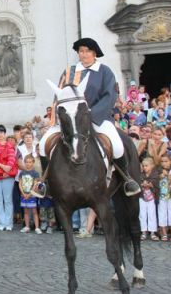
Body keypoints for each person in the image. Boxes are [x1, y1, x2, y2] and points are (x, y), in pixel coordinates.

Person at [37, 38, 141, 197]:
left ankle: (127, 178)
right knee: (44, 142)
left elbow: (109, 96)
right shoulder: (69, 72)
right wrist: (58, 117)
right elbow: (59, 95)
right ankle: (46, 182)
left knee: (117, 145)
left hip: (97, 117)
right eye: (81, 51)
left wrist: (89, 115)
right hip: (70, 120)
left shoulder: (104, 71)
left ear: (94, 53)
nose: (83, 54)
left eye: (87, 51)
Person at [18, 154, 41, 234]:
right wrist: (23, 193)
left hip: (32, 195)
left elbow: (35, 185)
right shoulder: (22, 173)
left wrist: (30, 194)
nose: (28, 164)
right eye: (26, 162)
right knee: (26, 212)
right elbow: (20, 184)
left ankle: (37, 227)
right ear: (24, 163)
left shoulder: (35, 173)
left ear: (33, 163)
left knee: (34, 211)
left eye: (30, 162)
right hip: (24, 195)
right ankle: (27, 226)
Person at [139, 157, 160, 241]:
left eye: (146, 166)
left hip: (151, 197)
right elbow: (139, 182)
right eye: (143, 166)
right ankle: (143, 232)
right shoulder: (141, 175)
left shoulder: (155, 174)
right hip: (142, 197)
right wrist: (142, 183)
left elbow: (155, 184)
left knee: (152, 214)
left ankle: (152, 232)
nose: (145, 168)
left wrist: (148, 184)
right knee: (142, 214)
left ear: (152, 166)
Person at [158, 154, 171, 241]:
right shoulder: (158, 170)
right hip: (161, 196)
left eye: (166, 161)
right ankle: (164, 233)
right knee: (162, 214)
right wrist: (160, 176)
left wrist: (168, 175)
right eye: (162, 161)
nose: (164, 163)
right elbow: (154, 180)